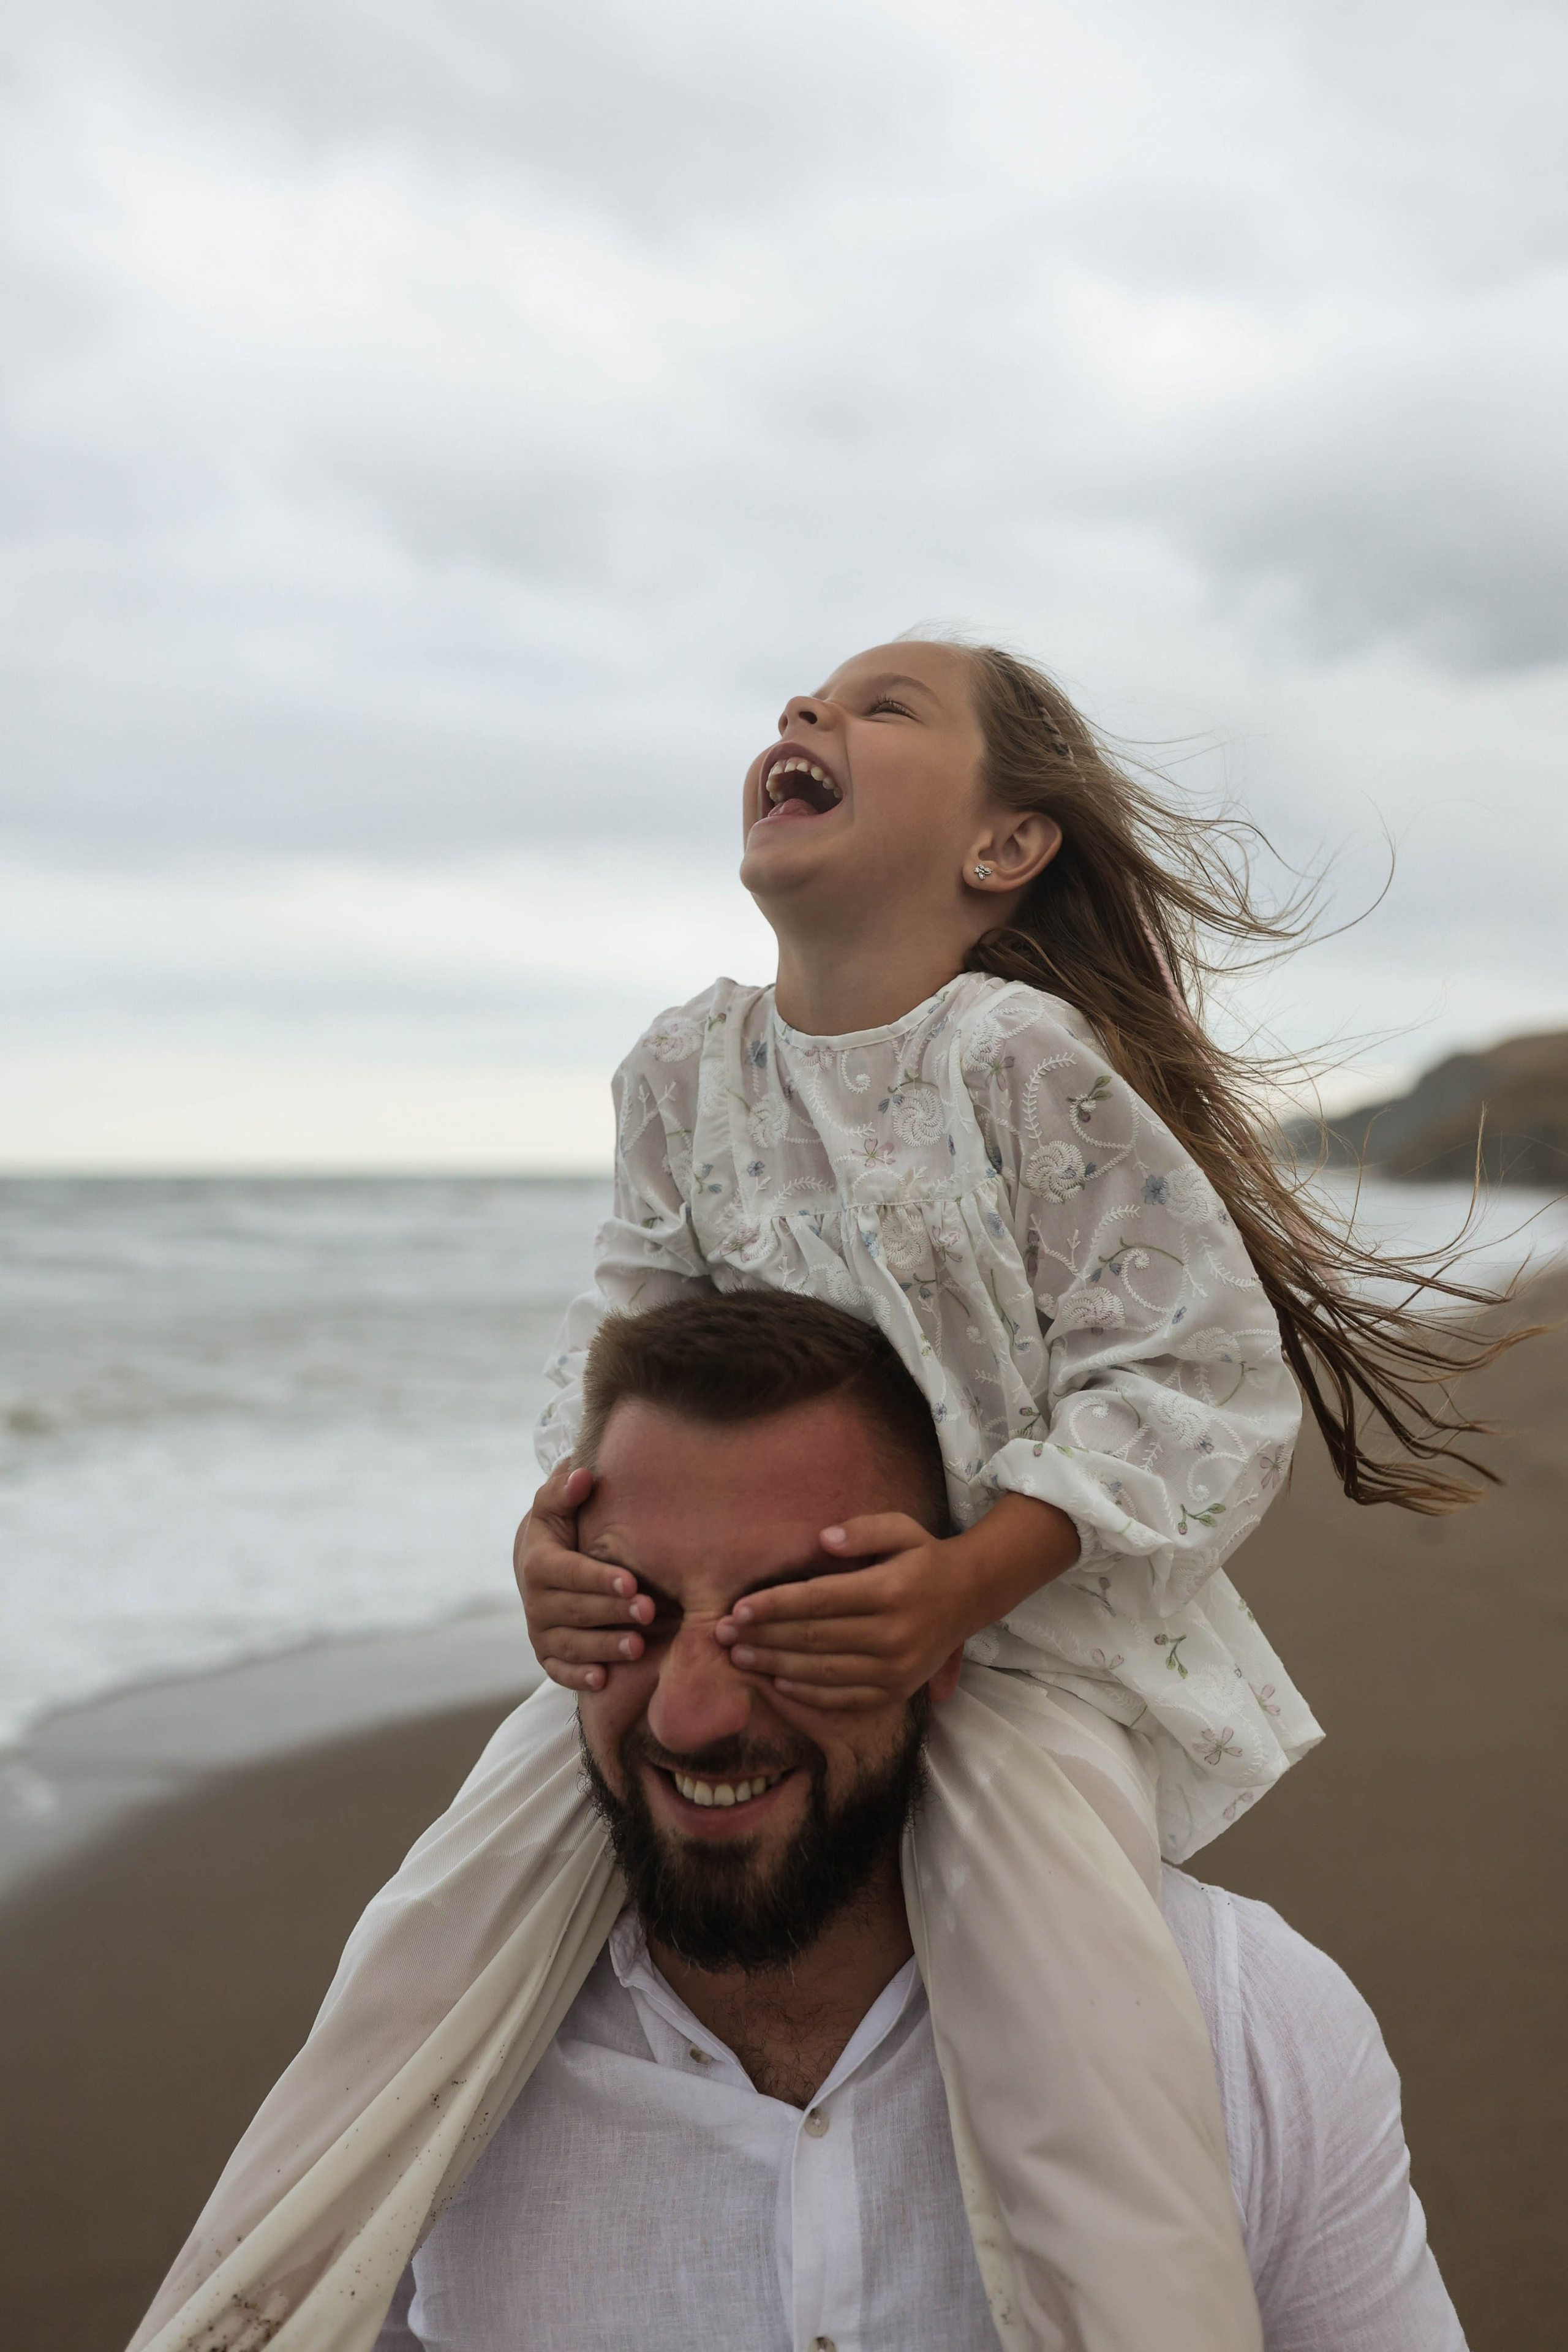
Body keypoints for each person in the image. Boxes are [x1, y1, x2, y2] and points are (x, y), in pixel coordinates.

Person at [134, 1295, 1465, 2351]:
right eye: (631, 1608)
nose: (696, 1714)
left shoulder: (1247, 2026)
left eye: (799, 1618)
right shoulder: (429, 2061)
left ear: (943, 1634)